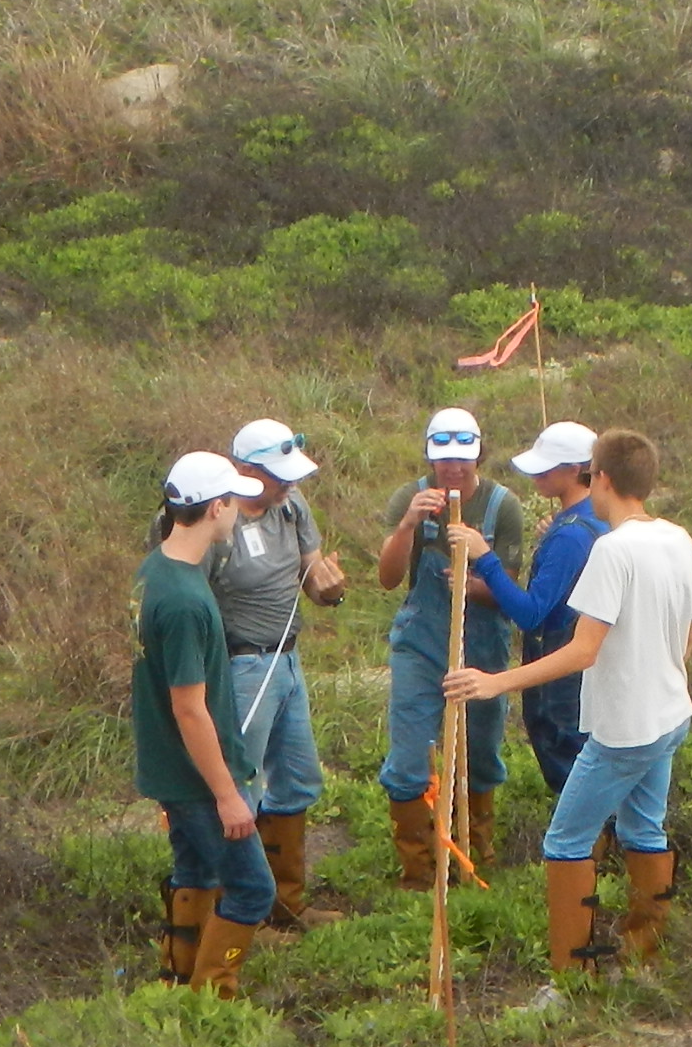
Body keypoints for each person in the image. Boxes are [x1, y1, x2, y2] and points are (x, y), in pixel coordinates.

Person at [445, 428, 692, 976]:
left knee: (565, 842)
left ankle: (569, 978)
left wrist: (497, 682)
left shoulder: (612, 550)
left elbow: (583, 650)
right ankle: (643, 958)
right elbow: (687, 632)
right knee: (643, 830)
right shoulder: (677, 539)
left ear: (599, 477)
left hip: (625, 727)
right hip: (671, 715)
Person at [135, 450, 273, 997]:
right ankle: (213, 996)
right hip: (198, 777)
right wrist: (227, 795)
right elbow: (189, 708)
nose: (237, 511)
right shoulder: (186, 601)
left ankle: (177, 978)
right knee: (252, 890)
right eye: (234, 501)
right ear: (216, 508)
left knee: (194, 873)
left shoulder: (153, 571)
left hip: (170, 768)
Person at [371, 405, 529, 881]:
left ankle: (475, 850)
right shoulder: (410, 497)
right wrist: (408, 526)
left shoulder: (503, 507)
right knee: (409, 755)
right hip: (420, 643)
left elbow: (508, 593)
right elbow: (388, 578)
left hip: (481, 646)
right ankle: (420, 869)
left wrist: (474, 580)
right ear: (430, 456)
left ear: (479, 455)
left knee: (480, 751)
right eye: (444, 459)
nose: (454, 468)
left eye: (463, 457)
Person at [208, 415, 345, 931]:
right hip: (241, 665)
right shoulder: (218, 519)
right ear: (245, 470)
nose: (289, 483)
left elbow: (311, 572)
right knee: (240, 785)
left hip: (287, 658)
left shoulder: (290, 506)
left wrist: (328, 589)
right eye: (277, 475)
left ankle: (286, 902)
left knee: (296, 776)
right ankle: (236, 912)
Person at [473, 420, 608, 804]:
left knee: (573, 780)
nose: (537, 476)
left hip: (559, 675)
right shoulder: (594, 521)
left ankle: (592, 840)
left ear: (575, 470)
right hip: (588, 669)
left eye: (546, 470)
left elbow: (530, 613)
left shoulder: (571, 535)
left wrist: (485, 560)